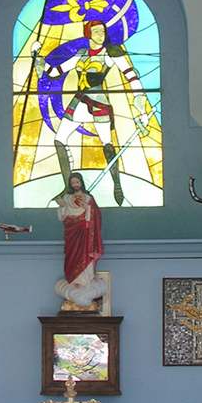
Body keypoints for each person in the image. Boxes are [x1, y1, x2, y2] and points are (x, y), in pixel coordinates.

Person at [42, 20, 152, 206]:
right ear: (88, 34)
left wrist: (140, 104)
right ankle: (68, 188)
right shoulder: (81, 54)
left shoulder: (110, 53)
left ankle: (117, 186)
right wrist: (39, 61)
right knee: (59, 139)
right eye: (97, 31)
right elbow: (55, 72)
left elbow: (131, 75)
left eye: (103, 31)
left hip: (99, 102)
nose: (101, 35)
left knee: (107, 144)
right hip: (79, 101)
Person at [55, 173, 107, 310]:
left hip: (85, 232)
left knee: (84, 254)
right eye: (73, 183)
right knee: (72, 256)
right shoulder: (67, 198)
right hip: (72, 233)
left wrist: (87, 208)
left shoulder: (88, 198)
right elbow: (62, 217)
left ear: (81, 182)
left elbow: (96, 215)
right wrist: (62, 206)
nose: (75, 185)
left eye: (77, 182)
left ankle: (85, 282)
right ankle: (74, 283)